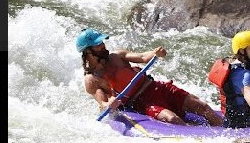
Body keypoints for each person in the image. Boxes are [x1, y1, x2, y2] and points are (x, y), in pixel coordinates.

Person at [77, 28, 223, 126]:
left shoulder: (116, 56)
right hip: (141, 102)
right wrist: (109, 104)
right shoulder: (92, 79)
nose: (103, 46)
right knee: (172, 119)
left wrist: (155, 53)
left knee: (202, 106)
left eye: (102, 42)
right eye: (98, 45)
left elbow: (142, 57)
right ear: (88, 52)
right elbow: (102, 103)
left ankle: (226, 130)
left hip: (156, 87)